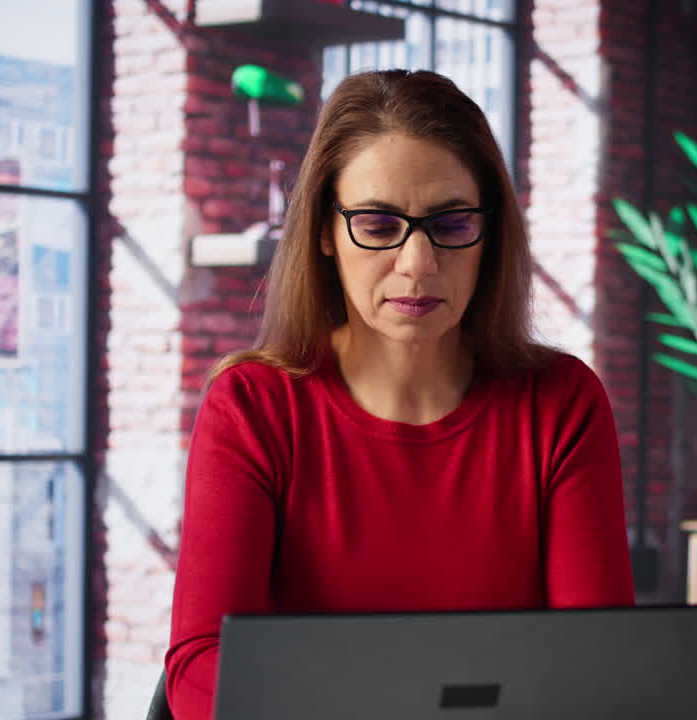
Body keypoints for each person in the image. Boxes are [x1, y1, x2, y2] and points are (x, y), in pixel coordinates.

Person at [165, 69, 634, 720]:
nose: (418, 262)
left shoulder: (561, 404)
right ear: (326, 232)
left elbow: (597, 666)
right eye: (379, 225)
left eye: (451, 223)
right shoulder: (253, 407)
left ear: (488, 233)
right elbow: (197, 672)